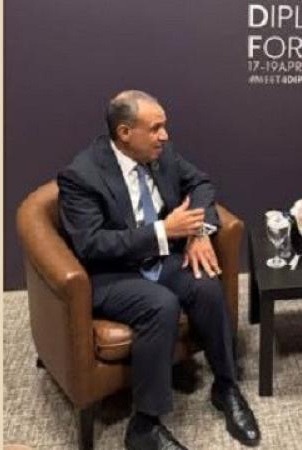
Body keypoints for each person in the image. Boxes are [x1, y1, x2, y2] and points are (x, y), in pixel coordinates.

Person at [58, 90, 260, 449]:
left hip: (160, 258)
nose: (164, 136)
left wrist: (198, 232)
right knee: (160, 305)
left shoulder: (160, 154)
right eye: (155, 128)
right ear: (124, 133)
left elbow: (200, 183)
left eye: (164, 127)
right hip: (111, 272)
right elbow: (92, 244)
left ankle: (226, 386)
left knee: (206, 285)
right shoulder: (81, 176)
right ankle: (144, 426)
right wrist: (163, 231)